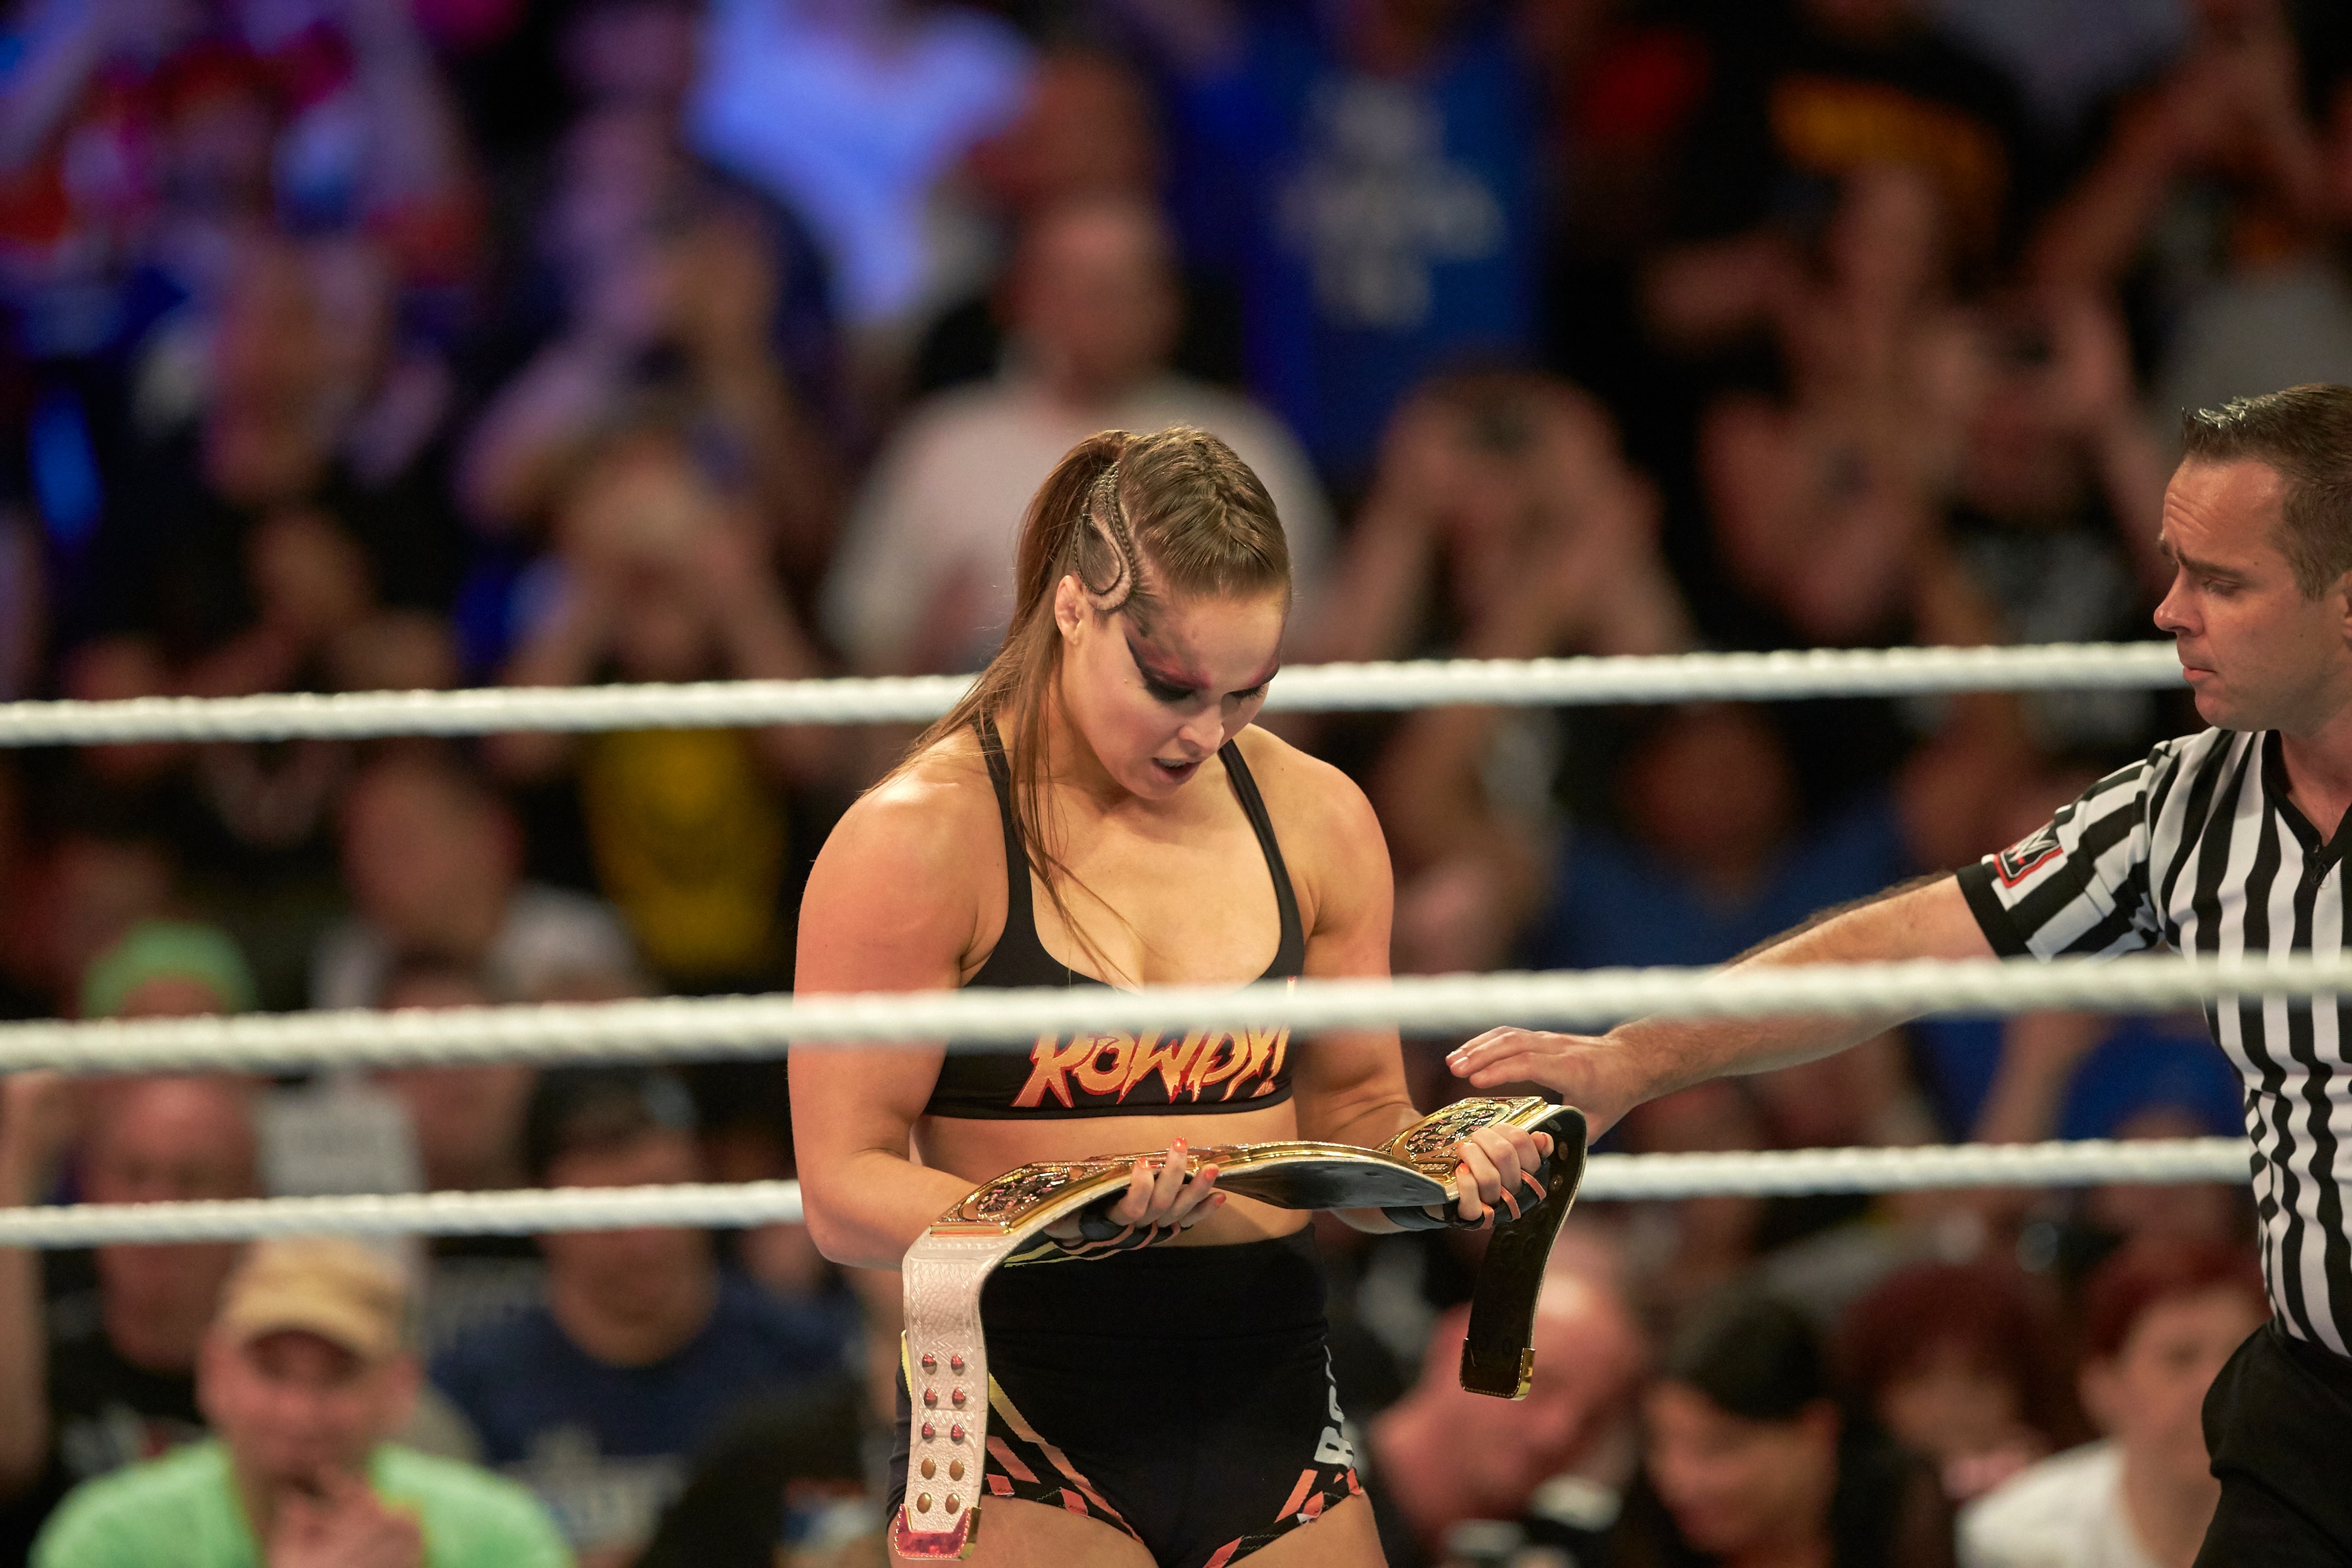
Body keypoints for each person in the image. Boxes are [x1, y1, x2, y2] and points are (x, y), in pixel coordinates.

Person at [1448, 381, 2352, 1562]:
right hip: (2316, 1401)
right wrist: (1630, 1059)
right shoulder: (2184, 805)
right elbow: (1906, 945)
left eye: (2222, 583)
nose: (2167, 611)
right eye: (2176, 566)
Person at [790, 422, 1553, 1568]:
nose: (1206, 732)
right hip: (1021, 1393)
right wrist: (1067, 1214)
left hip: (1273, 1377)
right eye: (1171, 686)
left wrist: (1442, 1163)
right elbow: (842, 1189)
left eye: (1247, 691)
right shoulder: (917, 840)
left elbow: (1355, 1111)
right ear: (1070, 608)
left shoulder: (1319, 817)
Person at [824, 197, 1332, 677]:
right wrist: (931, 647)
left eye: (1123, 286)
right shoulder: (940, 444)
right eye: (1073, 284)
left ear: (1167, 306)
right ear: (1019, 299)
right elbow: (870, 658)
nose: (1099, 308)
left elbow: (1305, 660)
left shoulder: (1245, 446)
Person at [430, 1068, 856, 1567]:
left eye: (664, 1194)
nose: (645, 1238)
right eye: (608, 1212)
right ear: (539, 1213)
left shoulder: (811, 1363)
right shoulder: (470, 1392)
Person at [30, 1237, 570, 1568]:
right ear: (214, 1372)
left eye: (337, 1377)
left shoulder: (499, 1536)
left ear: (399, 1387)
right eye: (271, 1371)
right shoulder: (110, 1539)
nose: (299, 1412)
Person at [1961, 1239, 2269, 1568]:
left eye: (2241, 1358)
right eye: (2181, 1359)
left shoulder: (2322, 1530)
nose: (2218, 1387)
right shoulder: (2017, 1539)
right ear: (2103, 1386)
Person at [1610, 1293, 1953, 1568]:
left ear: (1816, 1431)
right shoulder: (1643, 1528)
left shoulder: (1901, 1515)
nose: (1677, 1480)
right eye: (1660, 1444)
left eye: (1717, 1447)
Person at [1363, 1260, 1648, 1568]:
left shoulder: (1585, 1548)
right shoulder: (1312, 1494)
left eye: (1594, 1419)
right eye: (1536, 1383)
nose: (1556, 1434)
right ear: (1455, 1347)